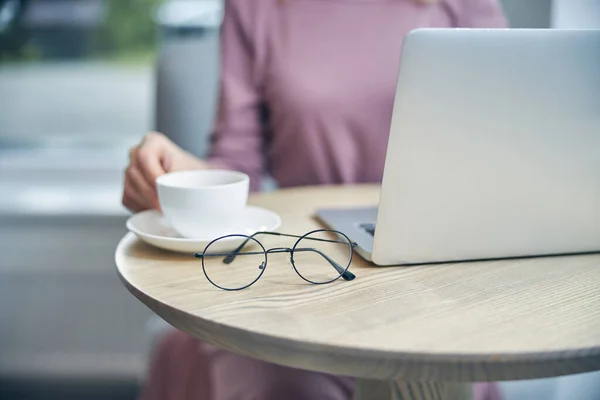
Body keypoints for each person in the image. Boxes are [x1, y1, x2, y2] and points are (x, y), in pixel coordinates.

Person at [123, 0, 508, 399]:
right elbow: (240, 165)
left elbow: (502, 138)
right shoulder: (254, 7)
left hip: (437, 280)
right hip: (305, 274)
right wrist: (177, 175)